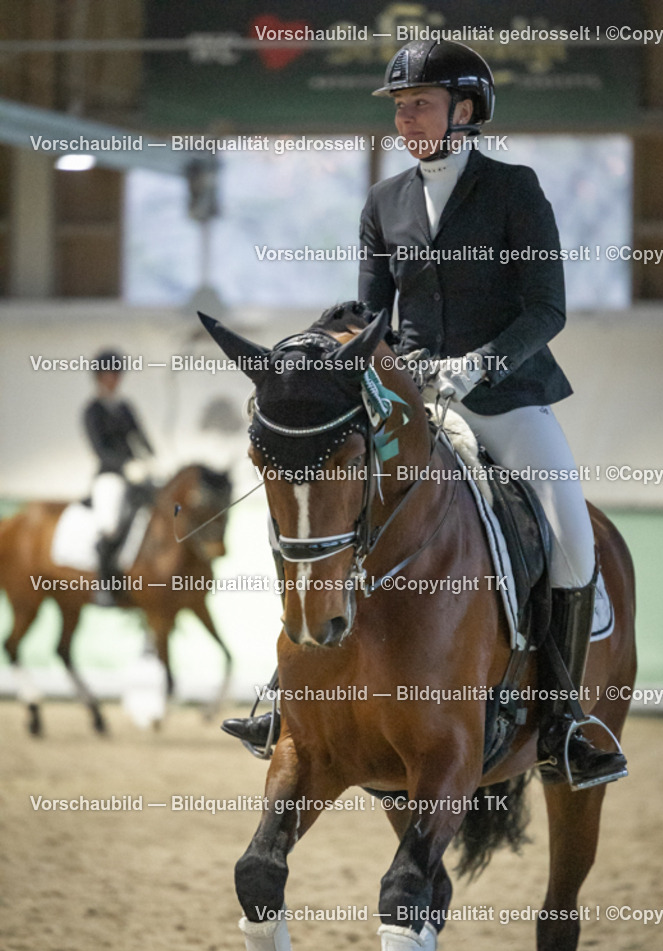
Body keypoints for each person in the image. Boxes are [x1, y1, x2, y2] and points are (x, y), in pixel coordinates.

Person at [223, 41, 627, 790]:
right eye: (401, 106)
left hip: (506, 399)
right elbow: (372, 314)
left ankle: (567, 718)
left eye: (420, 104)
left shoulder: (515, 191)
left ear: (463, 111)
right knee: (327, 510)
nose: (406, 117)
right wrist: (341, 347)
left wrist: (482, 363)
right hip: (413, 407)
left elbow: (547, 307)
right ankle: (288, 696)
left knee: (571, 535)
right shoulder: (385, 202)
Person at [83, 350, 154, 606]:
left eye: (117, 374)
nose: (113, 378)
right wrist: (126, 466)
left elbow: (140, 436)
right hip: (110, 476)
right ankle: (105, 584)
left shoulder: (125, 407)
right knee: (110, 525)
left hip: (136, 474)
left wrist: (152, 457)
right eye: (108, 374)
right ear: (99, 377)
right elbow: (99, 449)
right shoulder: (92, 410)